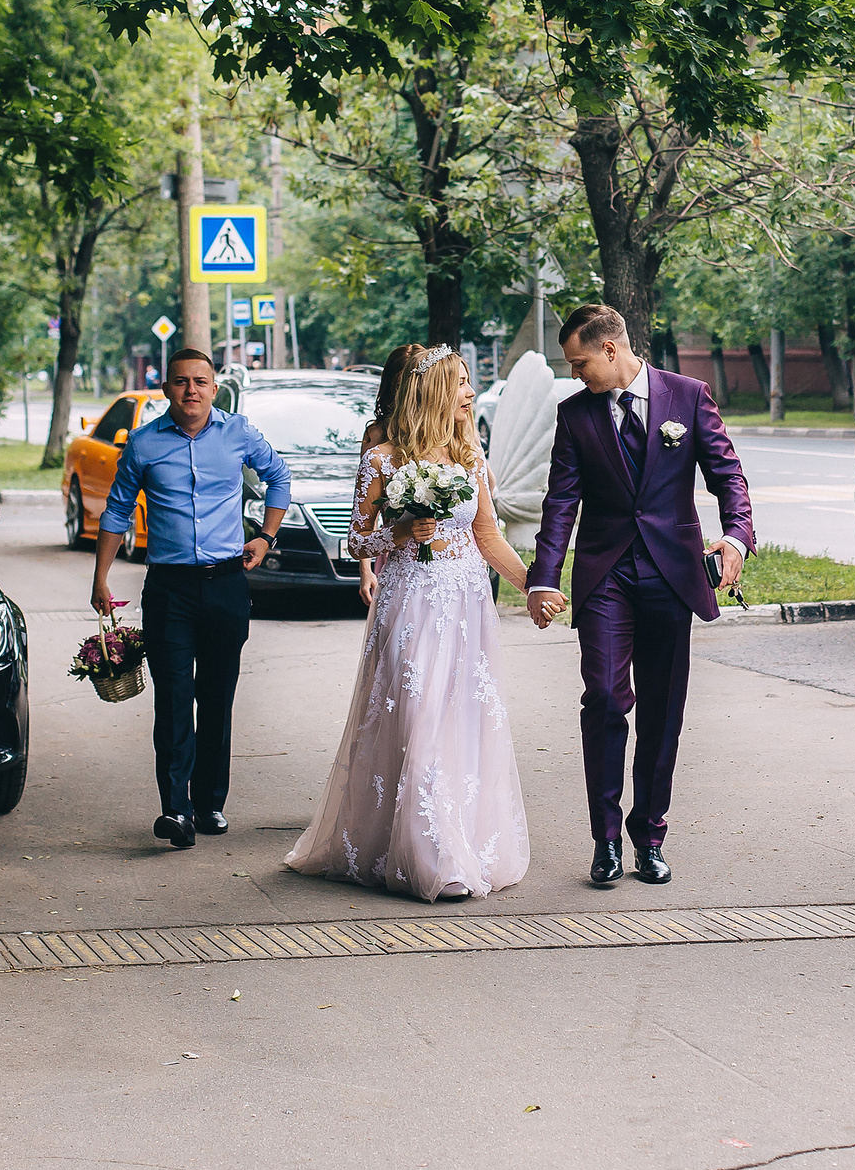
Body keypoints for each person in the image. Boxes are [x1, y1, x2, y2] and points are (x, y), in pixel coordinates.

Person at [285, 348, 556, 900]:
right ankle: (427, 854)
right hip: (408, 603)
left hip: (465, 606)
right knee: (417, 715)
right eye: (459, 383)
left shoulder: (471, 460)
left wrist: (533, 585)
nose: (469, 393)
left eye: (469, 382)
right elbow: (357, 540)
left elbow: (487, 537)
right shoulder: (383, 458)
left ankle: (454, 842)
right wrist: (403, 534)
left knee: (459, 719)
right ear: (431, 390)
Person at [527, 303, 753, 888]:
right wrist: (544, 577)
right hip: (607, 577)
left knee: (662, 709)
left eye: (580, 363)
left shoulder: (688, 396)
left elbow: (727, 476)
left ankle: (649, 835)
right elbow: (560, 503)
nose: (576, 374)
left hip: (672, 574)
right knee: (603, 697)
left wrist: (734, 537)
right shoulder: (575, 416)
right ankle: (604, 840)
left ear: (609, 349)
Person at [92, 349, 292, 848]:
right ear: (166, 388)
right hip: (169, 590)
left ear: (214, 386)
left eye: (200, 382)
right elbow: (116, 511)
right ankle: (175, 810)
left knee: (217, 698)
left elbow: (279, 478)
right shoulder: (142, 443)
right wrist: (101, 578)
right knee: (175, 700)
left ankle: (209, 803)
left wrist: (265, 536)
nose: (191, 391)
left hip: (226, 585)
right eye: (181, 382)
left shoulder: (238, 433)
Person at [353, 343, 423, 607]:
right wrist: (365, 570)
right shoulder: (376, 437)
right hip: (396, 550)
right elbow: (365, 511)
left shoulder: (447, 431)